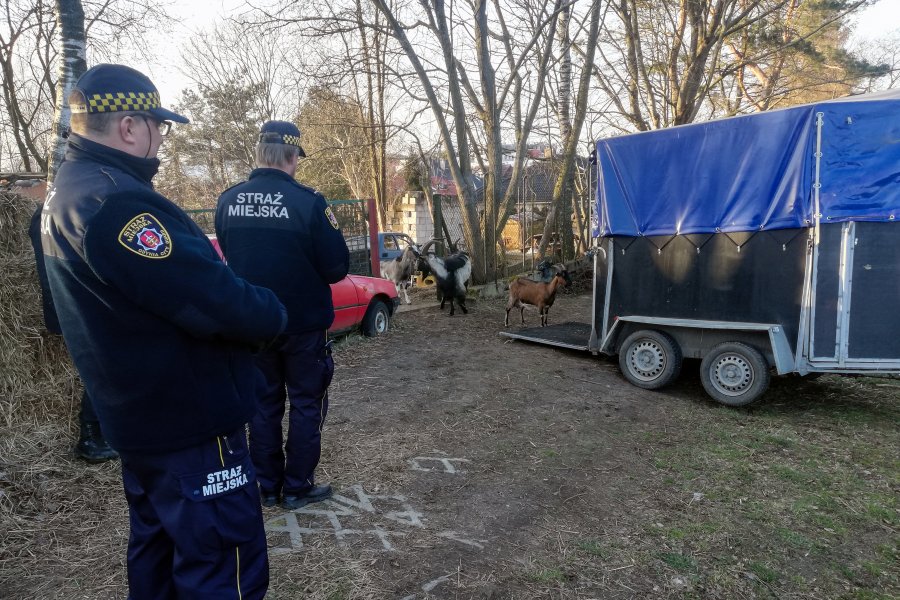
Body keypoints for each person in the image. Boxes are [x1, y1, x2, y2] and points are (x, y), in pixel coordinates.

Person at [39, 64, 287, 599]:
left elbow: (60, 317)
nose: (162, 142)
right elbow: (217, 300)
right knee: (221, 563)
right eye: (159, 126)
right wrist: (272, 315)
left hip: (137, 422)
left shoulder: (65, 194)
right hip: (190, 426)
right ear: (130, 126)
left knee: (157, 557)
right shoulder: (120, 205)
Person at [215, 121, 349, 510]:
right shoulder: (308, 202)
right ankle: (297, 486)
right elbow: (336, 268)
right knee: (307, 402)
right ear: (293, 157)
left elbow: (229, 253)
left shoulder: (228, 201)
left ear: (259, 155)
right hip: (303, 325)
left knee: (262, 405)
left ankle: (266, 486)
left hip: (253, 323)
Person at [28, 205, 118, 463]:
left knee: (101, 365)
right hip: (76, 301)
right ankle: (90, 437)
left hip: (65, 298)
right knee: (101, 366)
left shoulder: (49, 212)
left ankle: (99, 432)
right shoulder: (71, 209)